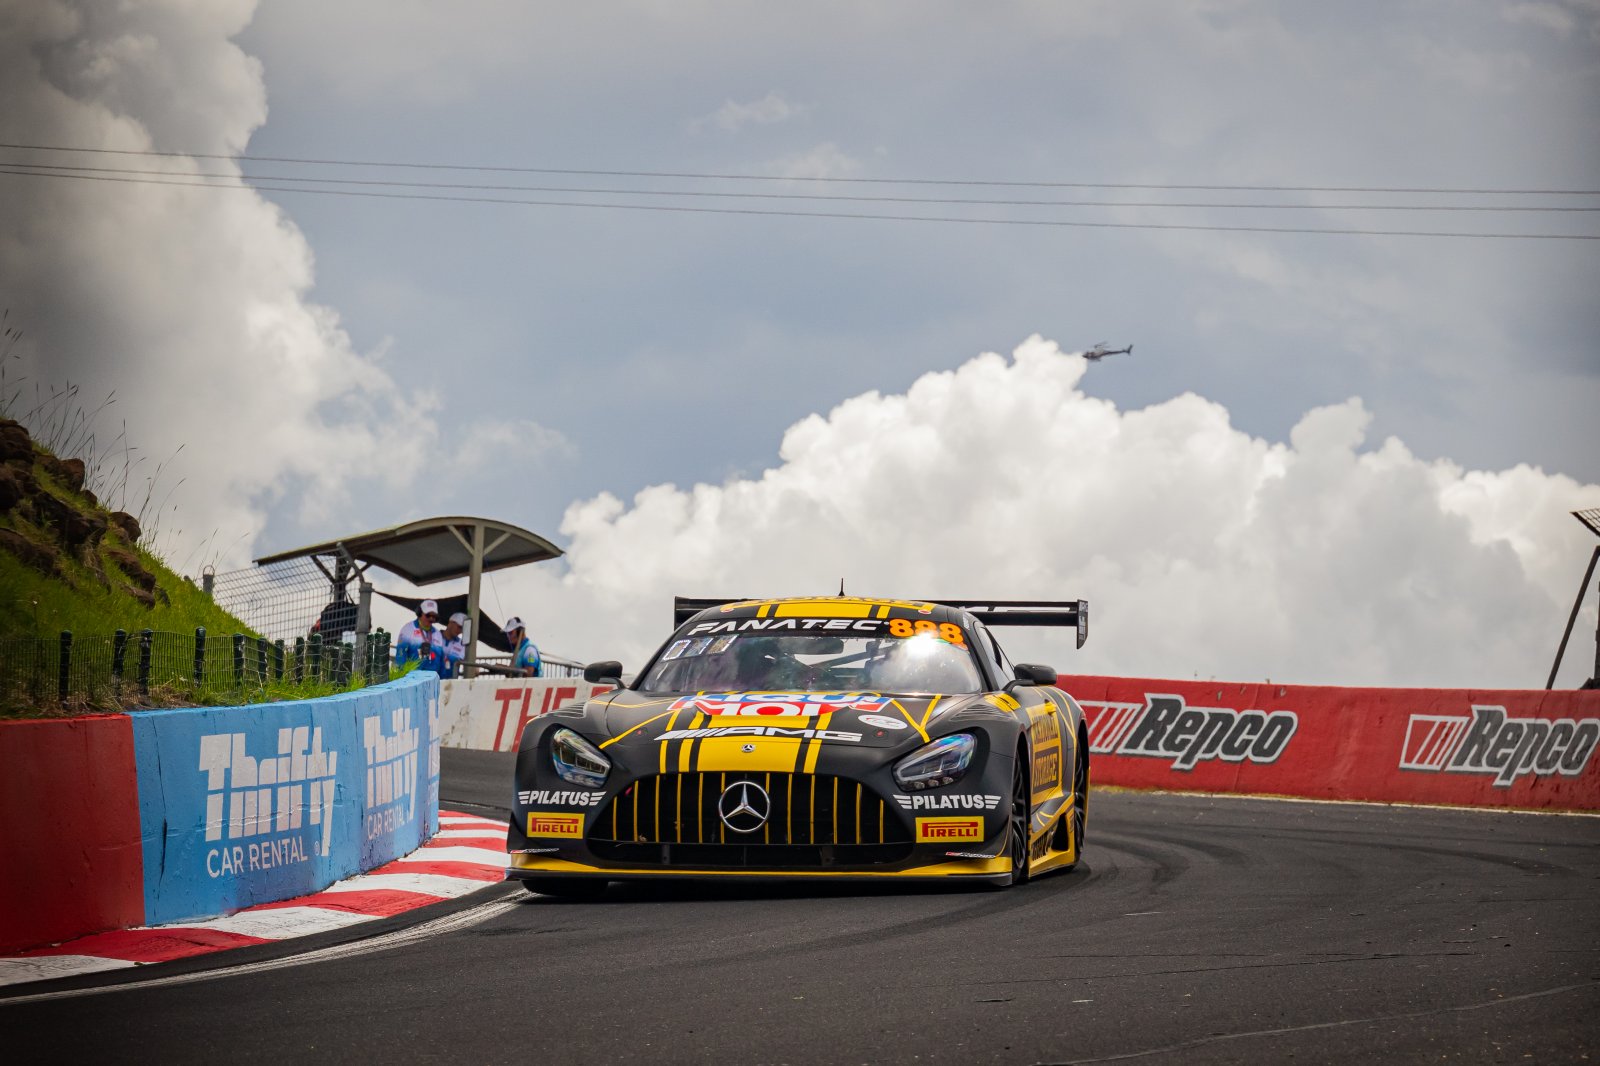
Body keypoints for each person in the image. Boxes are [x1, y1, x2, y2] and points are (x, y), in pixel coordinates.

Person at [395, 599, 443, 669]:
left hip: (432, 677)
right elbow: (400, 656)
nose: (431, 619)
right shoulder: (408, 629)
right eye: (428, 615)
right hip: (412, 677)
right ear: (420, 613)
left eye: (434, 616)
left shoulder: (438, 634)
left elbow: (441, 662)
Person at [438, 612, 468, 679]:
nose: (460, 631)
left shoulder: (463, 645)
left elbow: (469, 663)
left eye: (463, 629)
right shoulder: (434, 636)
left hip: (450, 685)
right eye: (459, 627)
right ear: (450, 622)